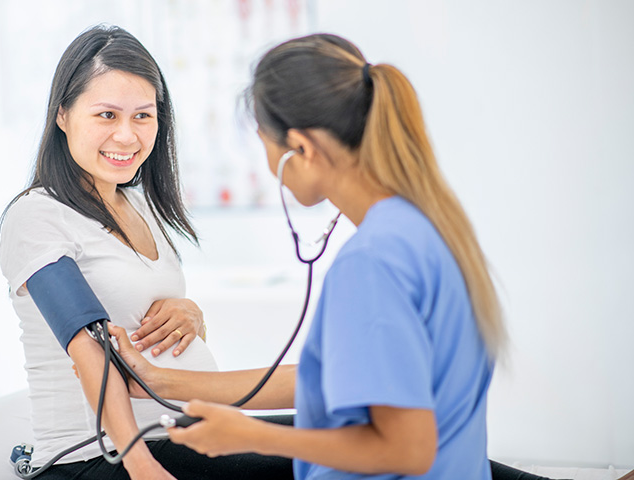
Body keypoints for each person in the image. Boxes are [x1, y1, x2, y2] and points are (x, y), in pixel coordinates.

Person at [105, 33, 549, 480]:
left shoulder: (371, 264)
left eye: (266, 145)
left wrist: (248, 436)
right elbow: (335, 382)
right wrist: (163, 382)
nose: (268, 165)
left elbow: (406, 449)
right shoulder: (424, 230)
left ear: (301, 149)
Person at [0, 25, 292, 479]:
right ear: (62, 115)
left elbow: (148, 328)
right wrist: (140, 465)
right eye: (106, 115)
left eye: (142, 116)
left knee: (340, 431)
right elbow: (88, 345)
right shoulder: (37, 217)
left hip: (182, 430)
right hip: (99, 455)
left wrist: (193, 316)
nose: (128, 136)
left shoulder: (139, 203)